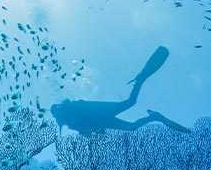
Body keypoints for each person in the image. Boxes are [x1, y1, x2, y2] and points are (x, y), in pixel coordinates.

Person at [50, 45, 190, 135]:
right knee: (131, 122)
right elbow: (86, 128)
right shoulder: (69, 116)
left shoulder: (71, 112)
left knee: (131, 104)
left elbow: (85, 122)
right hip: (104, 119)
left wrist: (90, 130)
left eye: (58, 114)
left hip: (103, 112)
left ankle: (141, 78)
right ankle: (154, 116)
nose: (59, 118)